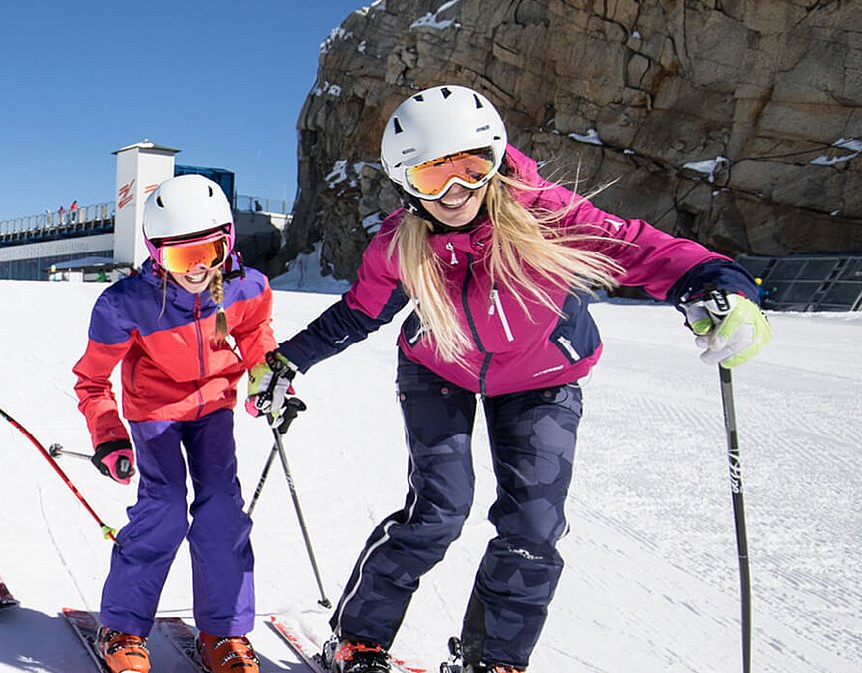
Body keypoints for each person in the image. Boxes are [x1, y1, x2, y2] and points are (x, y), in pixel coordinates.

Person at [245, 85, 773, 673]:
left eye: (472, 169)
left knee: (533, 526)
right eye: (431, 177)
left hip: (543, 376)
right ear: (404, 183)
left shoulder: (541, 211)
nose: (455, 192)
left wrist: (716, 281)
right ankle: (359, 638)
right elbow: (358, 313)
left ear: (495, 159)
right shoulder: (399, 242)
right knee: (439, 510)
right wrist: (287, 361)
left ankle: (493, 660)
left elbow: (635, 248)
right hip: (437, 370)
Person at [72, 174, 275, 673]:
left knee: (222, 512)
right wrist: (110, 436)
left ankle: (224, 633)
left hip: (214, 409)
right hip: (156, 413)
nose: (199, 268)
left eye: (210, 250)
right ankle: (122, 626)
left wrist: (266, 378)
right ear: (155, 253)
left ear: (228, 242)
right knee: (163, 509)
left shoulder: (248, 289)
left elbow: (255, 340)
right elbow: (92, 381)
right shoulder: (125, 304)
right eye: (182, 258)